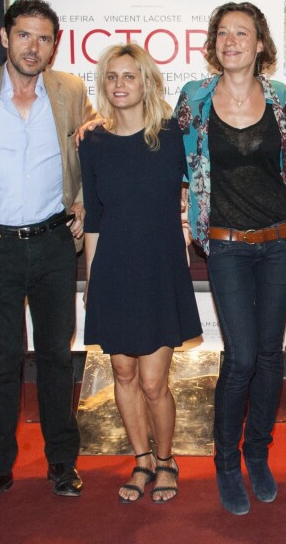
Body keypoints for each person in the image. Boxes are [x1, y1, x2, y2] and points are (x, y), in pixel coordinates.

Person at [174, 2, 286, 516]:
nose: (231, 41)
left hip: (282, 241)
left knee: (272, 354)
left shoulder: (283, 99)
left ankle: (257, 453)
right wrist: (95, 127)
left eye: (241, 33)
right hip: (225, 244)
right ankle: (226, 461)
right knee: (242, 355)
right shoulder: (194, 98)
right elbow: (162, 149)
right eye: (222, 33)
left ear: (261, 44)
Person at [80, 43, 202, 503]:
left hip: (159, 269)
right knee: (123, 373)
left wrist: (192, 218)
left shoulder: (172, 136)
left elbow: (201, 184)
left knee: (154, 381)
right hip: (112, 268)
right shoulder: (91, 142)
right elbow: (94, 217)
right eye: (112, 77)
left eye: (129, 76)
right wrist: (93, 281)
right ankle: (141, 461)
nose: (119, 85)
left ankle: (167, 460)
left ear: (147, 81)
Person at [0, 0, 96, 502]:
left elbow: (93, 139)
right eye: (24, 35)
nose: (33, 47)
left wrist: (80, 202)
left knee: (57, 356)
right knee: (2, 358)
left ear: (53, 46)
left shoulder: (69, 90)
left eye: (43, 38)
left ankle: (62, 462)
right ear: (4, 37)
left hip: (55, 242)